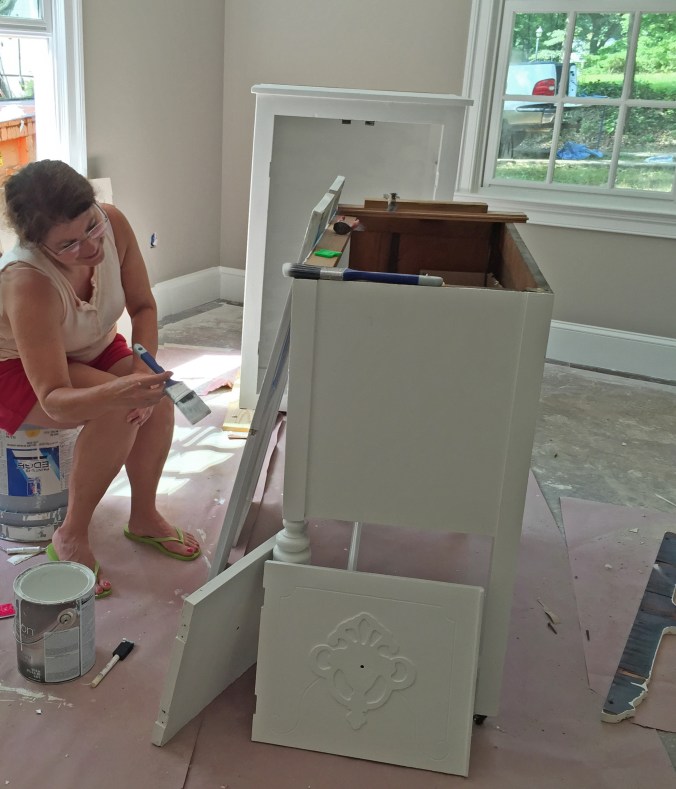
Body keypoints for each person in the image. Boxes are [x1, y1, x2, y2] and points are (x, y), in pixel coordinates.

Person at [0, 160, 201, 598]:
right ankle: (70, 534)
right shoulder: (27, 280)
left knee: (157, 399)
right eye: (68, 244)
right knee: (116, 408)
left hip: (89, 342)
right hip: (16, 364)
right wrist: (121, 391)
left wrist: (143, 373)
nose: (90, 247)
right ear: (37, 244)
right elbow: (54, 397)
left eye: (91, 226)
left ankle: (144, 516)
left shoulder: (113, 222)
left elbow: (143, 307)